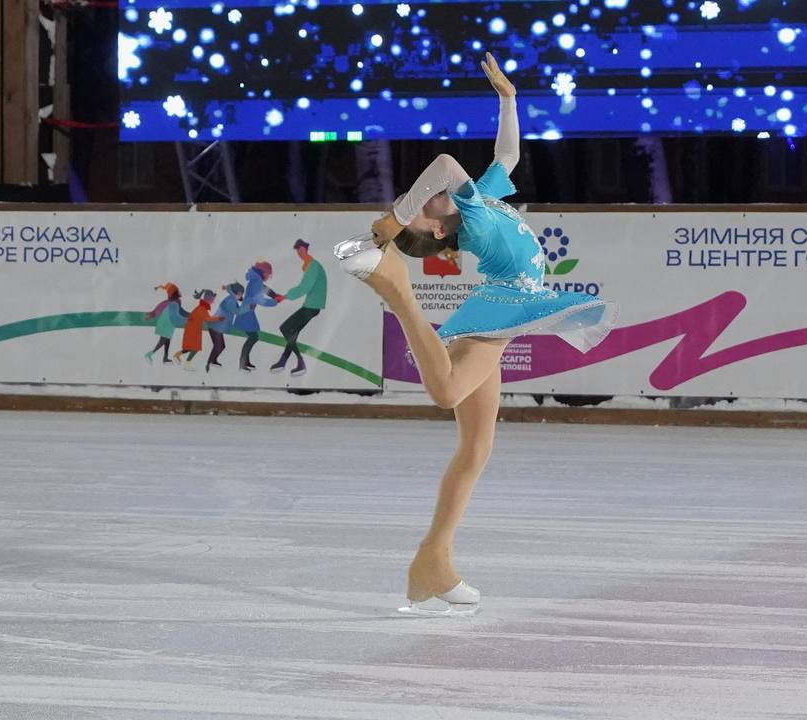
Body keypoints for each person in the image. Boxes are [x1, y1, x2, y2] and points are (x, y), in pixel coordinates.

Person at [334, 53, 616, 615]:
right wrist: (397, 216)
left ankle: (433, 559)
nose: (424, 201)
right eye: (422, 210)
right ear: (439, 229)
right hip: (500, 308)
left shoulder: (482, 200)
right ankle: (399, 292)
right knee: (447, 393)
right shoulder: (474, 219)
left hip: (506, 306)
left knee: (478, 445)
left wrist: (509, 100)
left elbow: (506, 156)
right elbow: (443, 163)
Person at [271, 240, 327, 378]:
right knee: (292, 333)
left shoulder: (313, 266)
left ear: (304, 249)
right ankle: (283, 361)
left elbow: (304, 287)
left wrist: (284, 297)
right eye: (297, 251)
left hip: (312, 306)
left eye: (299, 250)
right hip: (311, 305)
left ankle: (301, 363)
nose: (298, 254)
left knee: (285, 328)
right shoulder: (310, 265)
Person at [234, 260, 279, 372]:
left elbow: (264, 289)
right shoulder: (257, 281)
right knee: (253, 337)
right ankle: (242, 364)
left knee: (253, 337)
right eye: (268, 274)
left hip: (247, 312)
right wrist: (275, 302)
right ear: (263, 272)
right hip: (246, 313)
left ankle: (245, 362)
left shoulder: (255, 280)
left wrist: (275, 295)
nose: (269, 277)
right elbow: (260, 300)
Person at [173, 289, 223, 370]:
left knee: (191, 347)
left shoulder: (202, 307)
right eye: (212, 299)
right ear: (208, 299)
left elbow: (207, 318)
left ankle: (177, 355)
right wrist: (219, 318)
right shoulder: (202, 308)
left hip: (193, 328)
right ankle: (187, 364)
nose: (213, 301)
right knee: (195, 348)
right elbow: (208, 319)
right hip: (193, 329)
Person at [206, 282, 247, 372]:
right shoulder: (231, 301)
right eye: (241, 294)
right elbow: (237, 312)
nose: (241, 296)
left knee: (220, 346)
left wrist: (226, 288)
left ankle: (212, 361)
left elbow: (229, 288)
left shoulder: (232, 298)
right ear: (236, 293)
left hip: (217, 327)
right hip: (216, 327)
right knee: (219, 346)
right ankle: (209, 363)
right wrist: (247, 307)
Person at [144, 283, 186, 365]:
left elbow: (180, 311)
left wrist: (151, 314)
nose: (179, 292)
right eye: (177, 291)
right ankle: (150, 354)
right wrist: (188, 319)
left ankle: (165, 358)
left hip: (167, 323)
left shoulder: (173, 302)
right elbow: (176, 316)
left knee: (167, 340)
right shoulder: (173, 303)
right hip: (167, 323)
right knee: (163, 340)